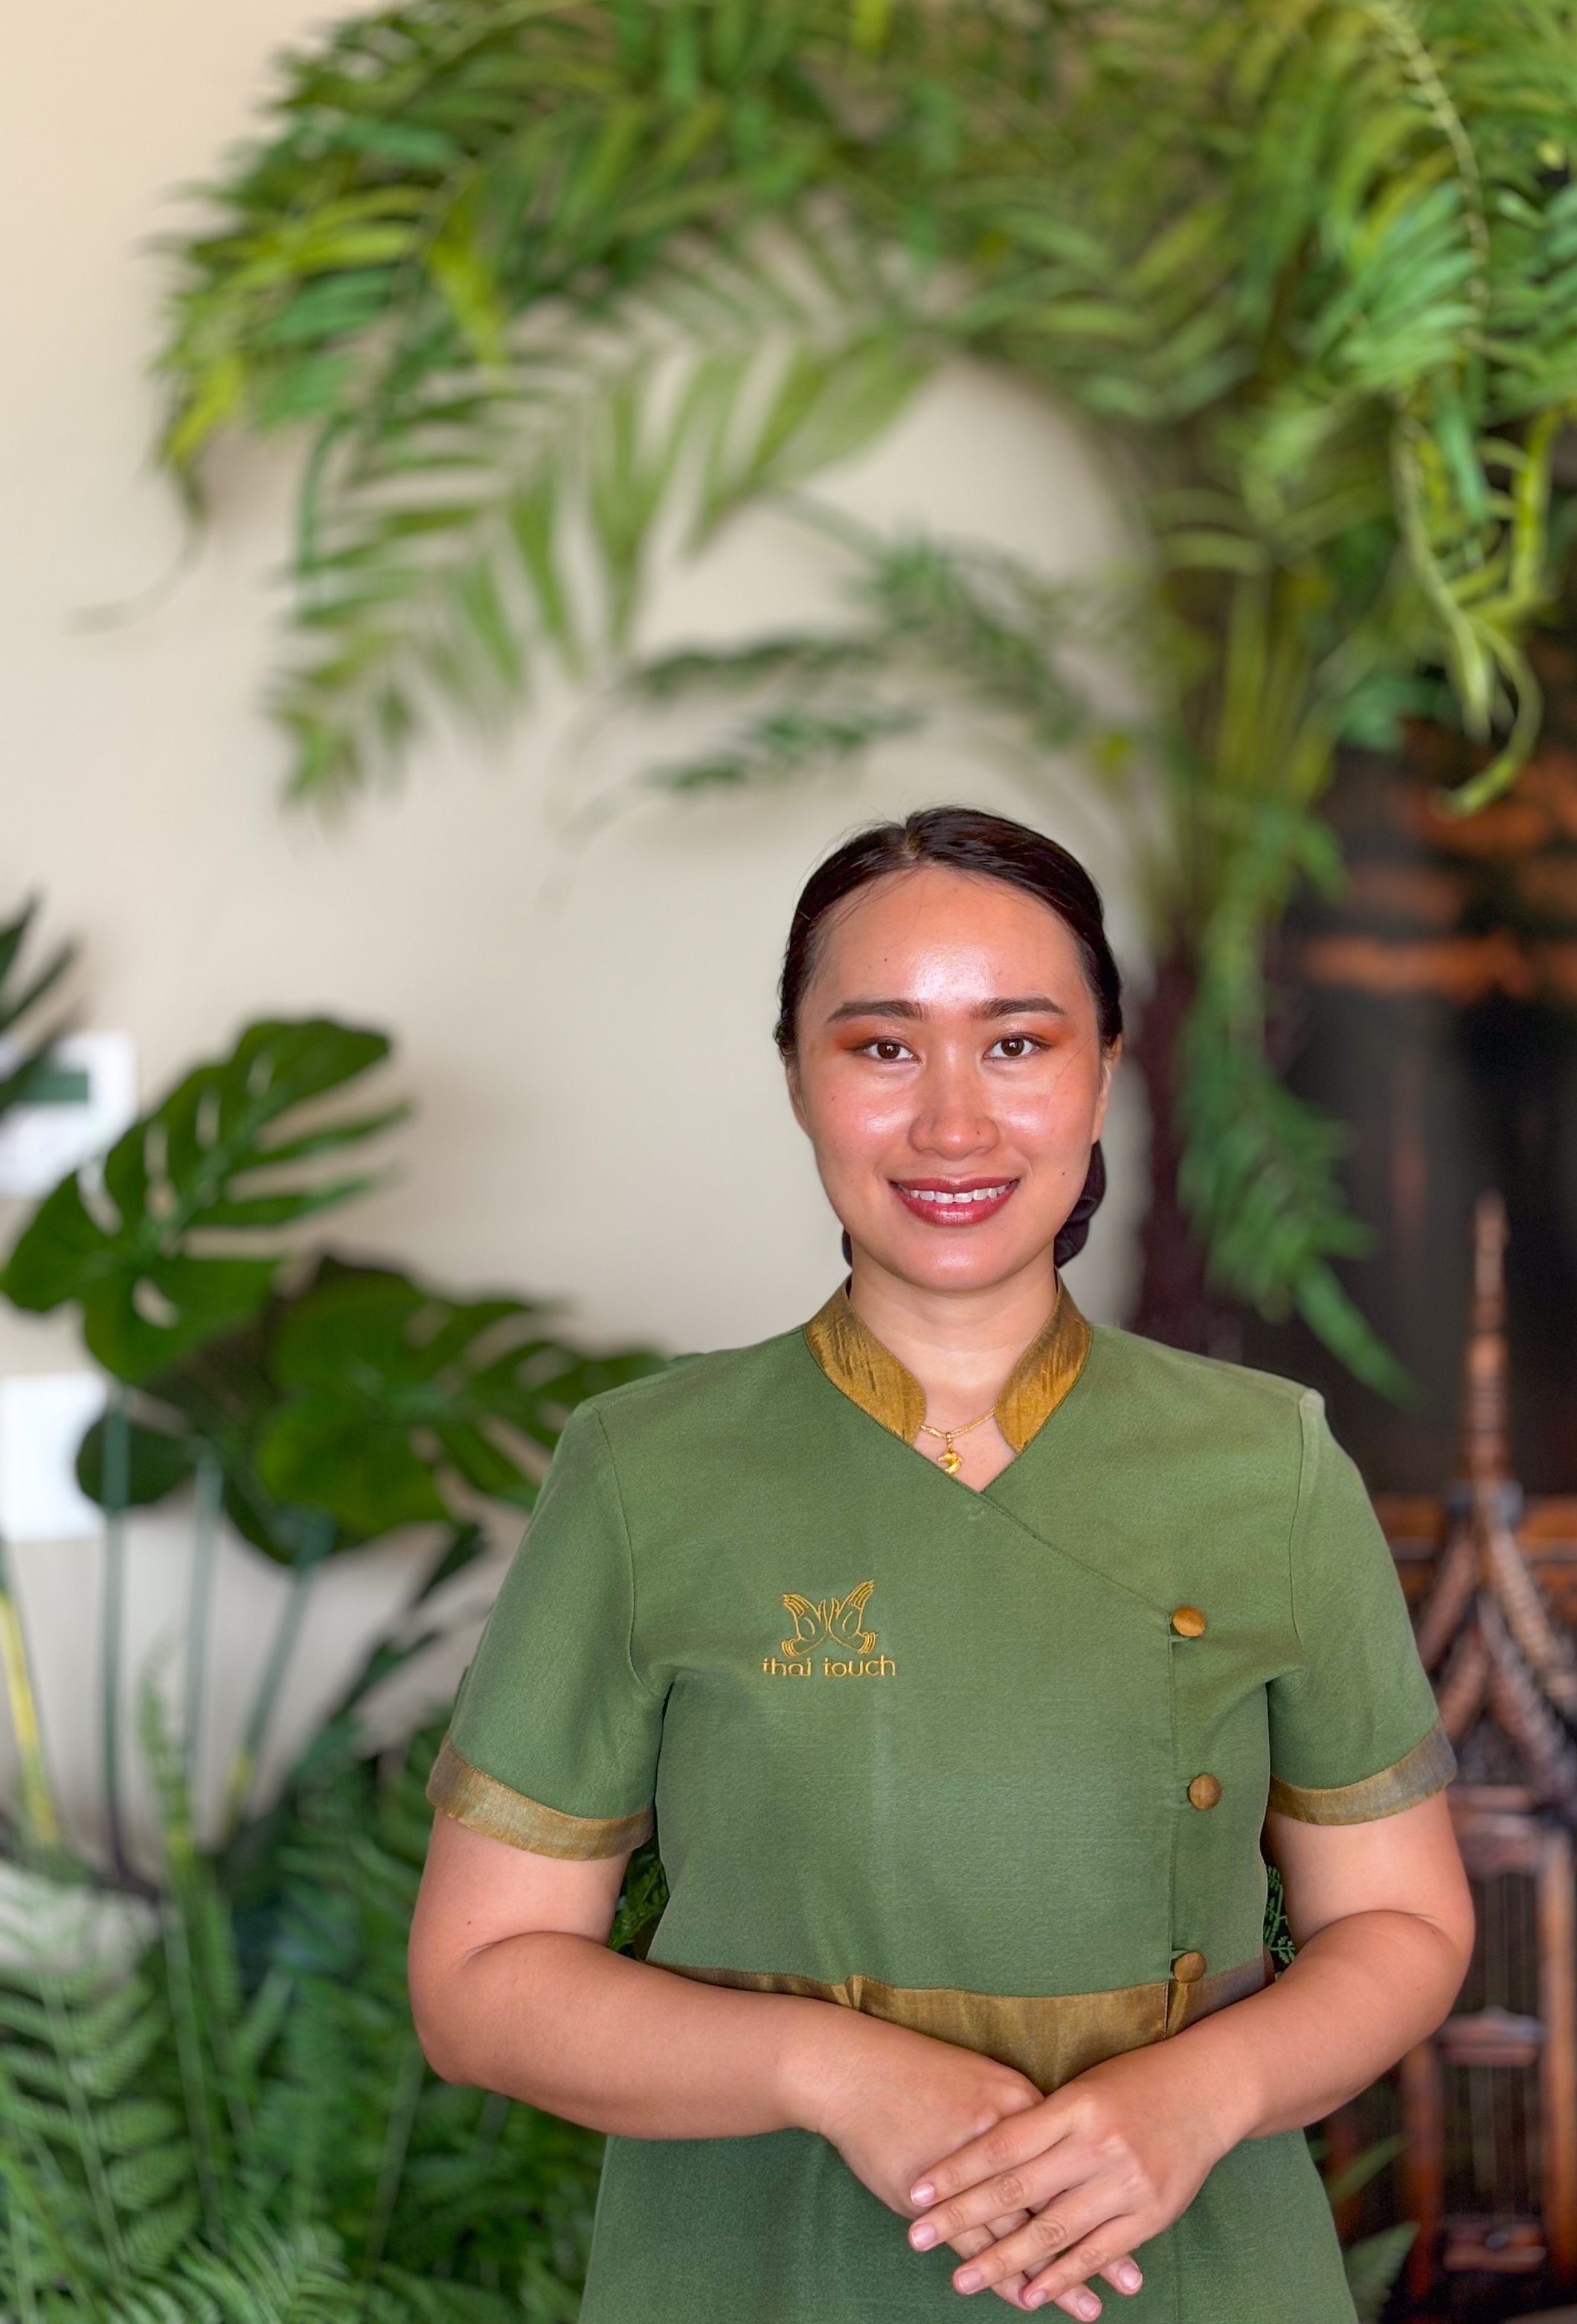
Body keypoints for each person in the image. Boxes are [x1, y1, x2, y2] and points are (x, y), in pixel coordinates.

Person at [408, 805, 1474, 2323]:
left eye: (1018, 1044)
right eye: (883, 1047)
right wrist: (825, 2068)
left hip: (1194, 2272)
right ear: (796, 1075)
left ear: (1108, 1068)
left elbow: (1404, 1924)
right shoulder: (647, 1471)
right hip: (763, 2270)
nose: (954, 1125)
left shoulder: (1265, 1463)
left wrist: (1189, 2099)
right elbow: (479, 1983)